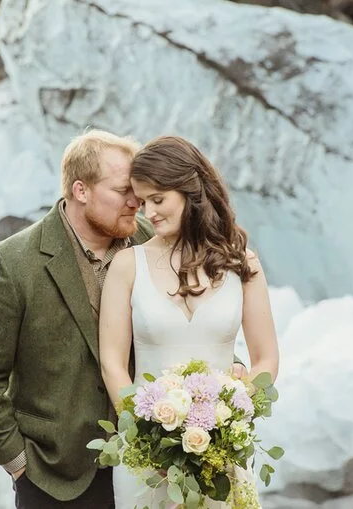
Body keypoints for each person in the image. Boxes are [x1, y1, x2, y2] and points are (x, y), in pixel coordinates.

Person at [0, 129, 248, 509]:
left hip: (151, 467)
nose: (136, 203)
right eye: (124, 191)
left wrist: (227, 369)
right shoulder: (12, 264)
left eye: (139, 193)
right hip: (56, 476)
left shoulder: (152, 242)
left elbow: (182, 322)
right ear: (81, 191)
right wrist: (16, 459)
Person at [99, 135, 280, 509]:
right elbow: (112, 364)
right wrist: (148, 435)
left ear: (189, 190)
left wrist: (232, 419)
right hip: (145, 459)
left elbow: (265, 359)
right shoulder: (127, 265)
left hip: (221, 457)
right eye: (143, 201)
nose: (148, 213)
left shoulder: (241, 263)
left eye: (158, 199)